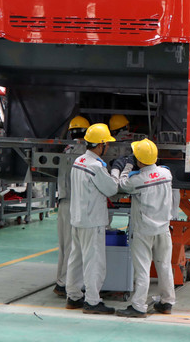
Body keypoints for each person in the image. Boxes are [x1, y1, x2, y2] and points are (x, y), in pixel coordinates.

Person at [114, 139, 176, 318]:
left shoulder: (136, 180)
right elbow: (160, 171)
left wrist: (125, 166)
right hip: (163, 229)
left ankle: (139, 306)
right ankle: (167, 302)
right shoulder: (166, 174)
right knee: (164, 265)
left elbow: (121, 184)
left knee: (142, 269)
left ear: (139, 160)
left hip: (144, 231)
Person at [66, 123, 119, 314]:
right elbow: (112, 189)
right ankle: (93, 302)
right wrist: (115, 172)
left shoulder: (79, 161)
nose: (108, 148)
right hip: (92, 221)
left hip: (78, 219)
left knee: (76, 259)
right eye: (107, 144)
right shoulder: (96, 166)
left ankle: (73, 297)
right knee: (94, 261)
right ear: (100, 145)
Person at [53, 116, 90, 297]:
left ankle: (61, 282)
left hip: (63, 202)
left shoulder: (67, 149)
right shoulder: (84, 151)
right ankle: (65, 283)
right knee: (73, 247)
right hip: (75, 204)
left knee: (64, 245)